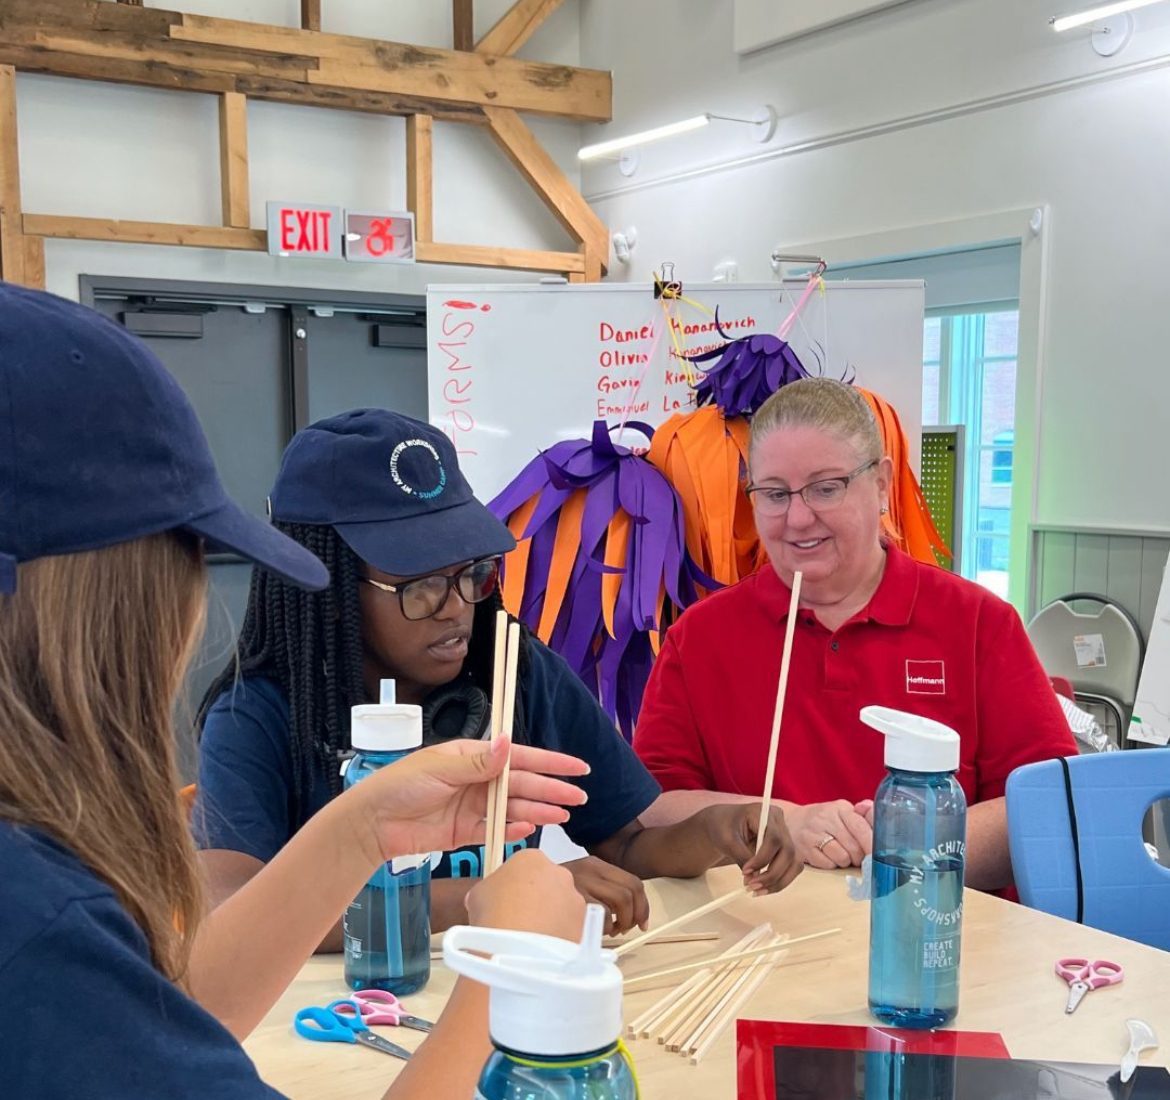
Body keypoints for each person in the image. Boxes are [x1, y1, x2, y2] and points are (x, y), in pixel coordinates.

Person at [0, 283, 597, 1098]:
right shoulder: (34, 922)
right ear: (120, 609)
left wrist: (361, 830)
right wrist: (511, 966)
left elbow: (163, 1021)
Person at [196, 410, 800, 941]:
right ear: (324, 589)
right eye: (422, 584)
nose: (458, 605)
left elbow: (630, 844)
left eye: (473, 573)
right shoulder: (258, 714)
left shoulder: (516, 671)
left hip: (497, 1006)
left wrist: (716, 831)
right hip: (341, 1028)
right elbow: (231, 911)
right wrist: (492, 901)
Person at [633, 378, 1076, 891]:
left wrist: (906, 851)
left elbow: (1050, 806)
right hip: (758, 941)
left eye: (826, 487)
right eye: (775, 494)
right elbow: (653, 809)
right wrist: (778, 822)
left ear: (883, 483)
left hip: (940, 941)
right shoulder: (701, 637)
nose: (798, 518)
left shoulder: (978, 624)